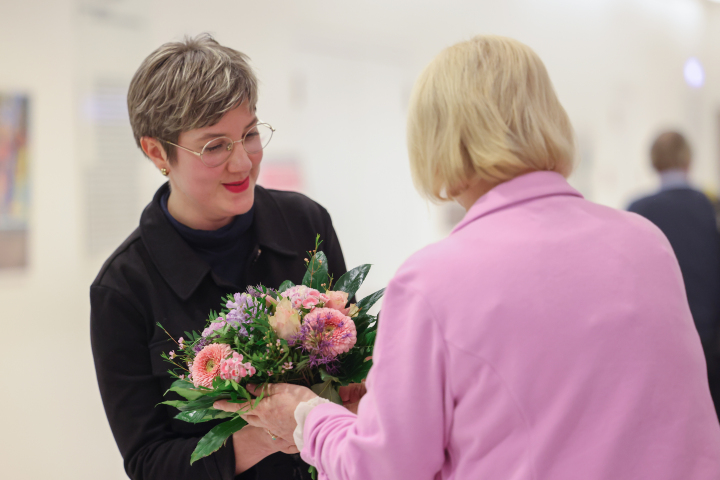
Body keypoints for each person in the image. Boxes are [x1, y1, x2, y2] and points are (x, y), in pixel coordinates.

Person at [216, 36, 720, 479]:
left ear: (436, 139)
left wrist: (308, 418)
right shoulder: (646, 242)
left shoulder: (433, 282)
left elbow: (384, 471)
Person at [90, 34, 350, 480]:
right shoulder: (124, 288)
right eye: (214, 146)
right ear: (157, 152)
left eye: (249, 135)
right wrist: (272, 431)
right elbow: (149, 463)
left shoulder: (306, 223)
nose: (243, 163)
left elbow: (351, 373)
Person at [628, 132, 720, 417]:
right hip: (708, 334)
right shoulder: (710, 207)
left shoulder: (637, 211)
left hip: (659, 338)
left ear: (653, 162)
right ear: (688, 159)